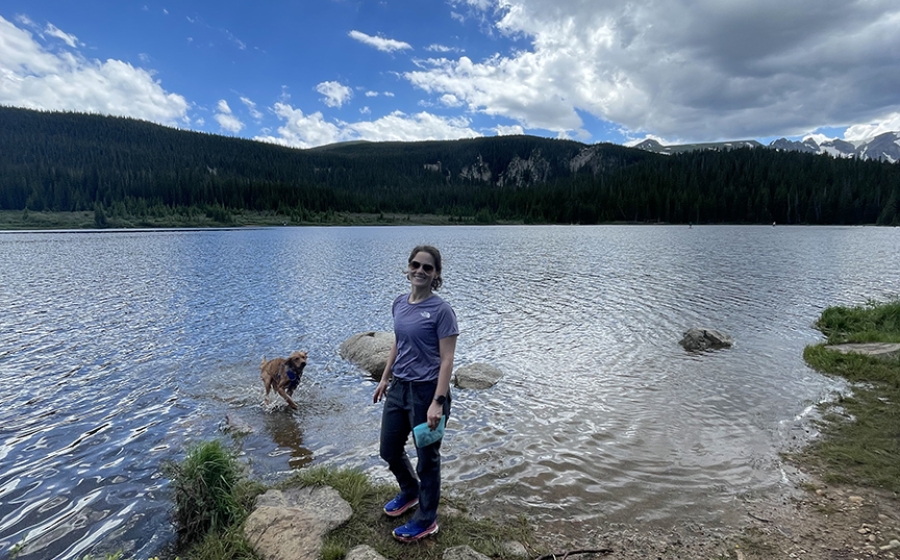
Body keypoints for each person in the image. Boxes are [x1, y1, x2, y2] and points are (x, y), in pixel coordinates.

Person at [373, 245, 459, 543]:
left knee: (427, 460)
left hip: (427, 394)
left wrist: (438, 401)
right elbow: (399, 343)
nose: (420, 271)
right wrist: (385, 378)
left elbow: (447, 359)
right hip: (399, 389)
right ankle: (409, 490)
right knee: (388, 449)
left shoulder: (442, 311)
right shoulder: (399, 303)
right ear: (408, 268)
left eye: (427, 267)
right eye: (415, 265)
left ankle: (426, 518)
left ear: (436, 275)